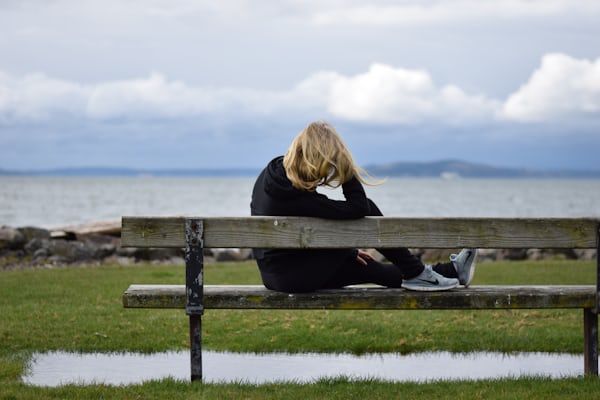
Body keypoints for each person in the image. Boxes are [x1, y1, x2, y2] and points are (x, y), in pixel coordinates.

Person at [250, 121, 476, 293]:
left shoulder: (276, 174)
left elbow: (319, 222)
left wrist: (346, 252)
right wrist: (346, 167)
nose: (324, 175)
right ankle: (417, 272)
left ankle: (453, 272)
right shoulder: (292, 196)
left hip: (280, 272)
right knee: (368, 207)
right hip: (293, 277)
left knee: (373, 269)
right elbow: (359, 208)